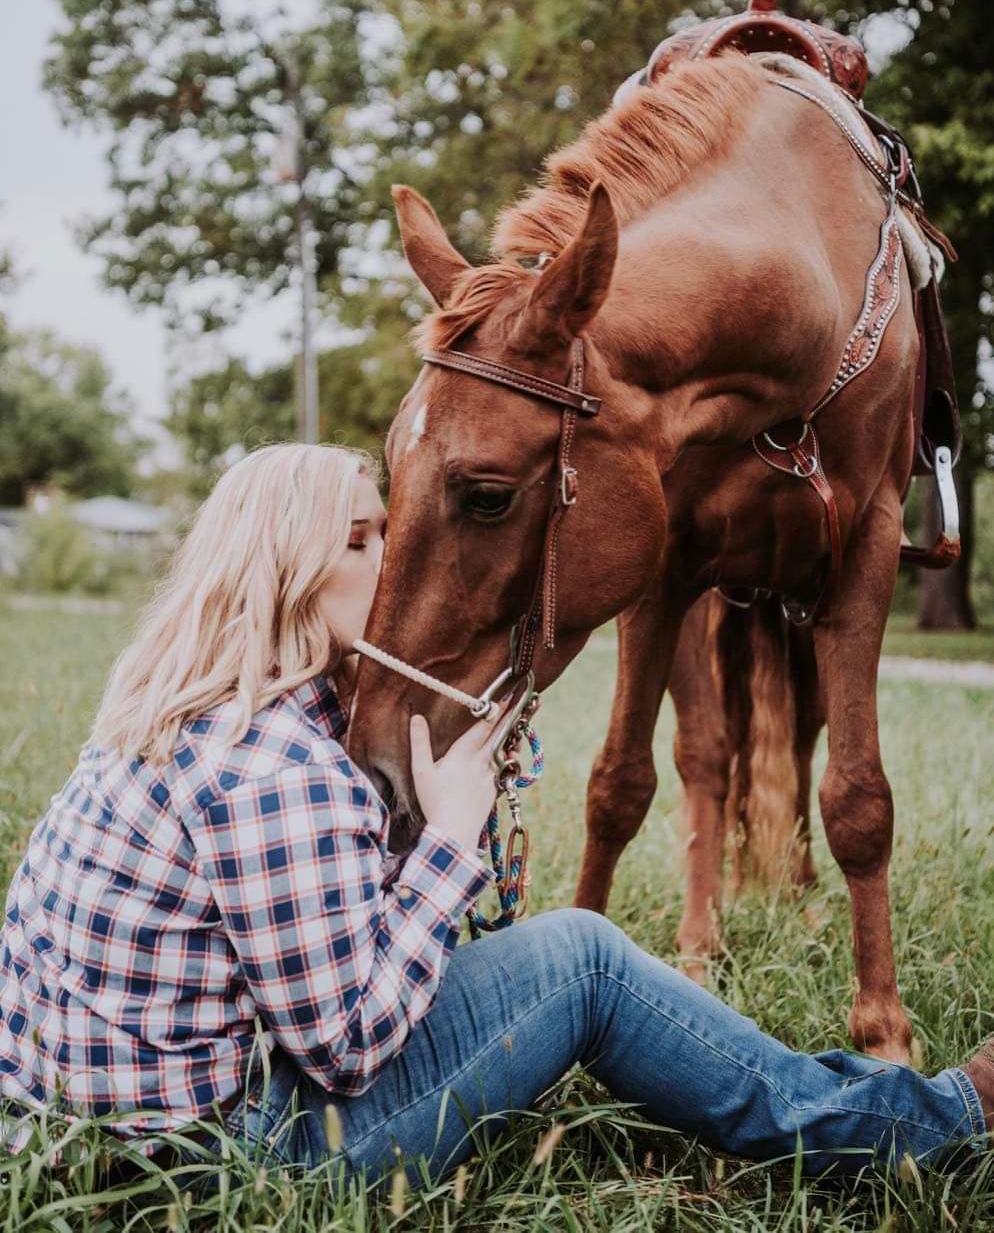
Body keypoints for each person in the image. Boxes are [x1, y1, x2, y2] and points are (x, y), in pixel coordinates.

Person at [0, 442, 991, 1188]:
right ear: (282, 567)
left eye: (387, 530)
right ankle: (919, 1131)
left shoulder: (175, 704)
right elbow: (343, 1044)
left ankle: (856, 1102)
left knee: (565, 959)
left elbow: (299, 939)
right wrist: (448, 839)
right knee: (585, 962)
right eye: (358, 540)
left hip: (87, 1133)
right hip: (236, 1157)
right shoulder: (272, 765)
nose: (389, 561)